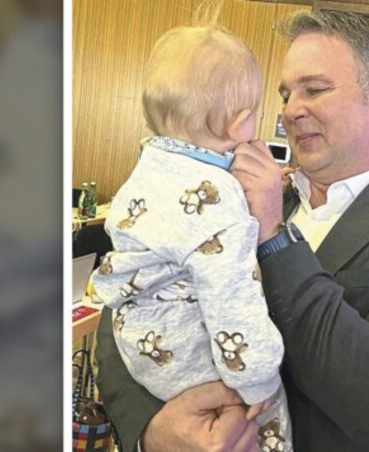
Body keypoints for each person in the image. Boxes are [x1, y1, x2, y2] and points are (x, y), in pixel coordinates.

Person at [96, 10, 369, 451]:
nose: (292, 110)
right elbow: (128, 301)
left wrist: (274, 238)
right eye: (285, 94)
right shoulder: (221, 197)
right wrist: (151, 430)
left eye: (314, 89)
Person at [91, 21, 291, 451]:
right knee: (269, 417)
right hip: (185, 353)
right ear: (240, 123)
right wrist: (259, 376)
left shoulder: (146, 171)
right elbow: (232, 295)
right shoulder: (217, 195)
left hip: (141, 343)